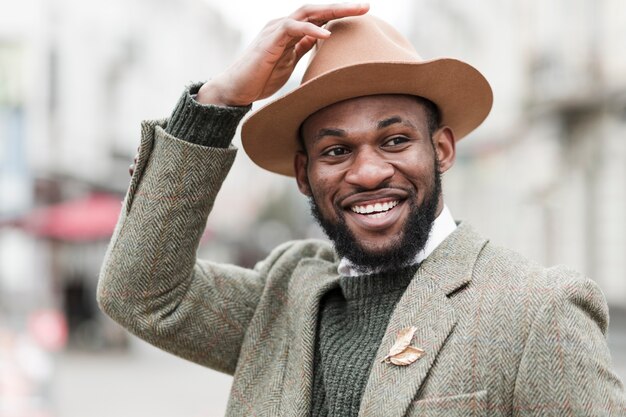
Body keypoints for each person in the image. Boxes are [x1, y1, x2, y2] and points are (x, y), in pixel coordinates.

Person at [97, 3, 626, 416]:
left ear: (441, 149)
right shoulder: (282, 298)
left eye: (395, 141)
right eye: (336, 151)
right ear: (305, 175)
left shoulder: (536, 311)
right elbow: (137, 293)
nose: (368, 172)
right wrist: (217, 104)